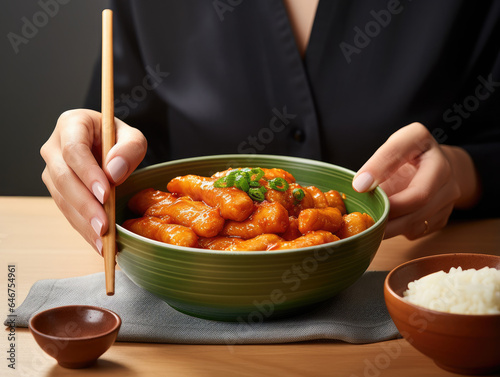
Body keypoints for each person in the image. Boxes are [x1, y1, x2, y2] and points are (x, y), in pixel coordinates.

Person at [40, 0, 500, 255]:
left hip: (404, 278)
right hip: (177, 319)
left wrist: (462, 172)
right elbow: (118, 127)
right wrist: (90, 150)